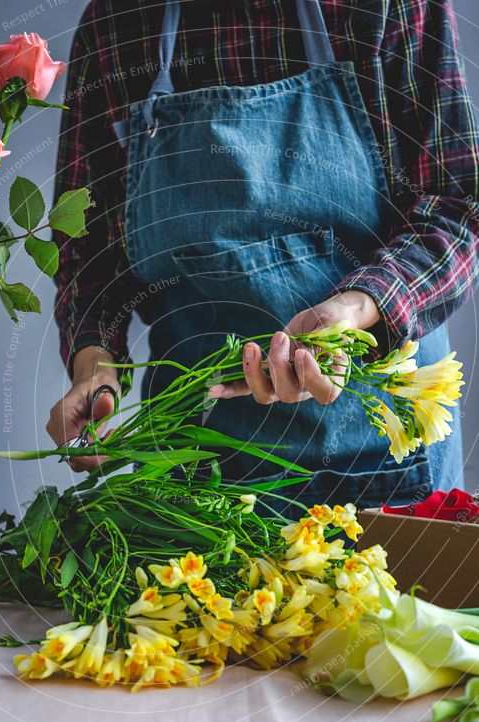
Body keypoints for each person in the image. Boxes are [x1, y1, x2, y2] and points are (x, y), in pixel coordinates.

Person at [47, 0, 479, 508]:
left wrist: (353, 309)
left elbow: (455, 207)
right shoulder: (117, 22)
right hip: (199, 471)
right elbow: (88, 249)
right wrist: (94, 365)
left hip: (387, 451)